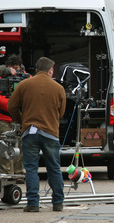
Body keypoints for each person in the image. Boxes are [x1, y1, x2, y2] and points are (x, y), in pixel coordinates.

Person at [8, 57, 66, 212]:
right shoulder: (58, 88)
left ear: (36, 69)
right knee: (54, 167)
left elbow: (11, 105)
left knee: (31, 168)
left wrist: (22, 121)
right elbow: (61, 113)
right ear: (50, 70)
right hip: (51, 133)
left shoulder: (24, 85)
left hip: (30, 132)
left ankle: (33, 203)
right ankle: (58, 203)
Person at [0, 55, 24, 181]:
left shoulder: (24, 78)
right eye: (13, 69)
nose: (15, 71)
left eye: (17, 68)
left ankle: (19, 173)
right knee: (5, 147)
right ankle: (7, 175)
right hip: (3, 119)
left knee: (19, 147)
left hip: (18, 119)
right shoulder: (1, 78)